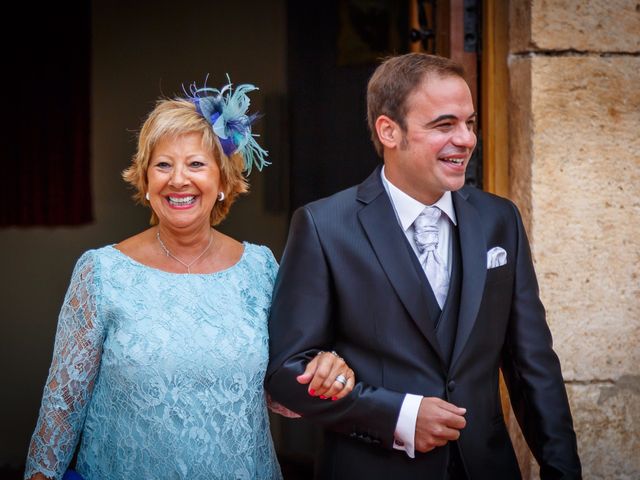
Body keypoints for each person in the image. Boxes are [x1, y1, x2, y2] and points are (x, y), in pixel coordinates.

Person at [266, 53, 581, 479]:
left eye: (469, 123)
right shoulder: (324, 226)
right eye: (444, 124)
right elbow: (287, 374)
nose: (466, 138)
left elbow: (533, 365)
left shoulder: (499, 221)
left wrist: (562, 470)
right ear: (389, 130)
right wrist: (398, 416)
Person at [24, 78, 355, 480]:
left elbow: (279, 393)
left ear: (222, 181)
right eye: (163, 165)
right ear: (145, 180)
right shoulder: (101, 273)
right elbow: (62, 406)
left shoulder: (261, 269)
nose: (178, 179)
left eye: (196, 164)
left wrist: (326, 374)